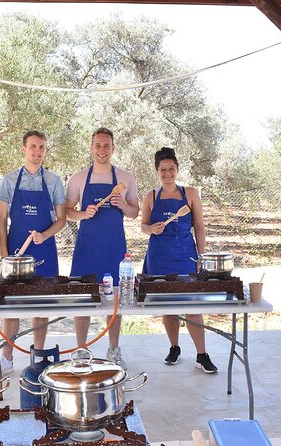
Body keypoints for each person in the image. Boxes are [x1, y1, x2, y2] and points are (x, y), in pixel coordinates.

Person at [66, 127, 140, 369]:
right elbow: (67, 211)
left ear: (113, 148)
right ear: (91, 147)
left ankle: (114, 349)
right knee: (83, 298)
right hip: (86, 248)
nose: (101, 150)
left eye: (106, 145)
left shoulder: (125, 178)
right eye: (97, 145)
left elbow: (135, 212)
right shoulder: (77, 178)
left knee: (115, 299)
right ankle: (80, 350)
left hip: (114, 246)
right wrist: (82, 213)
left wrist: (122, 205)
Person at [141, 147, 217, 374]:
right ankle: (174, 347)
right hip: (159, 257)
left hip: (185, 255)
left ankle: (202, 355)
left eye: (171, 169)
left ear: (177, 169)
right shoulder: (151, 196)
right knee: (168, 307)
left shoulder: (190, 194)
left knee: (192, 306)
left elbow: (200, 227)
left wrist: (201, 257)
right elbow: (143, 226)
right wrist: (151, 229)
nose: (167, 173)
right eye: (163, 169)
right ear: (157, 171)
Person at [0, 130, 67, 374]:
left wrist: (45, 235)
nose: (37, 152)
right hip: (15, 253)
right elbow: (2, 219)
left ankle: (38, 355)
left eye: (42, 148)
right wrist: (5, 256)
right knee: (12, 308)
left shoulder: (53, 181)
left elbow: (62, 219)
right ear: (23, 149)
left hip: (45, 251)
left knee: (41, 305)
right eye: (33, 147)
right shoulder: (9, 180)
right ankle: (6, 357)